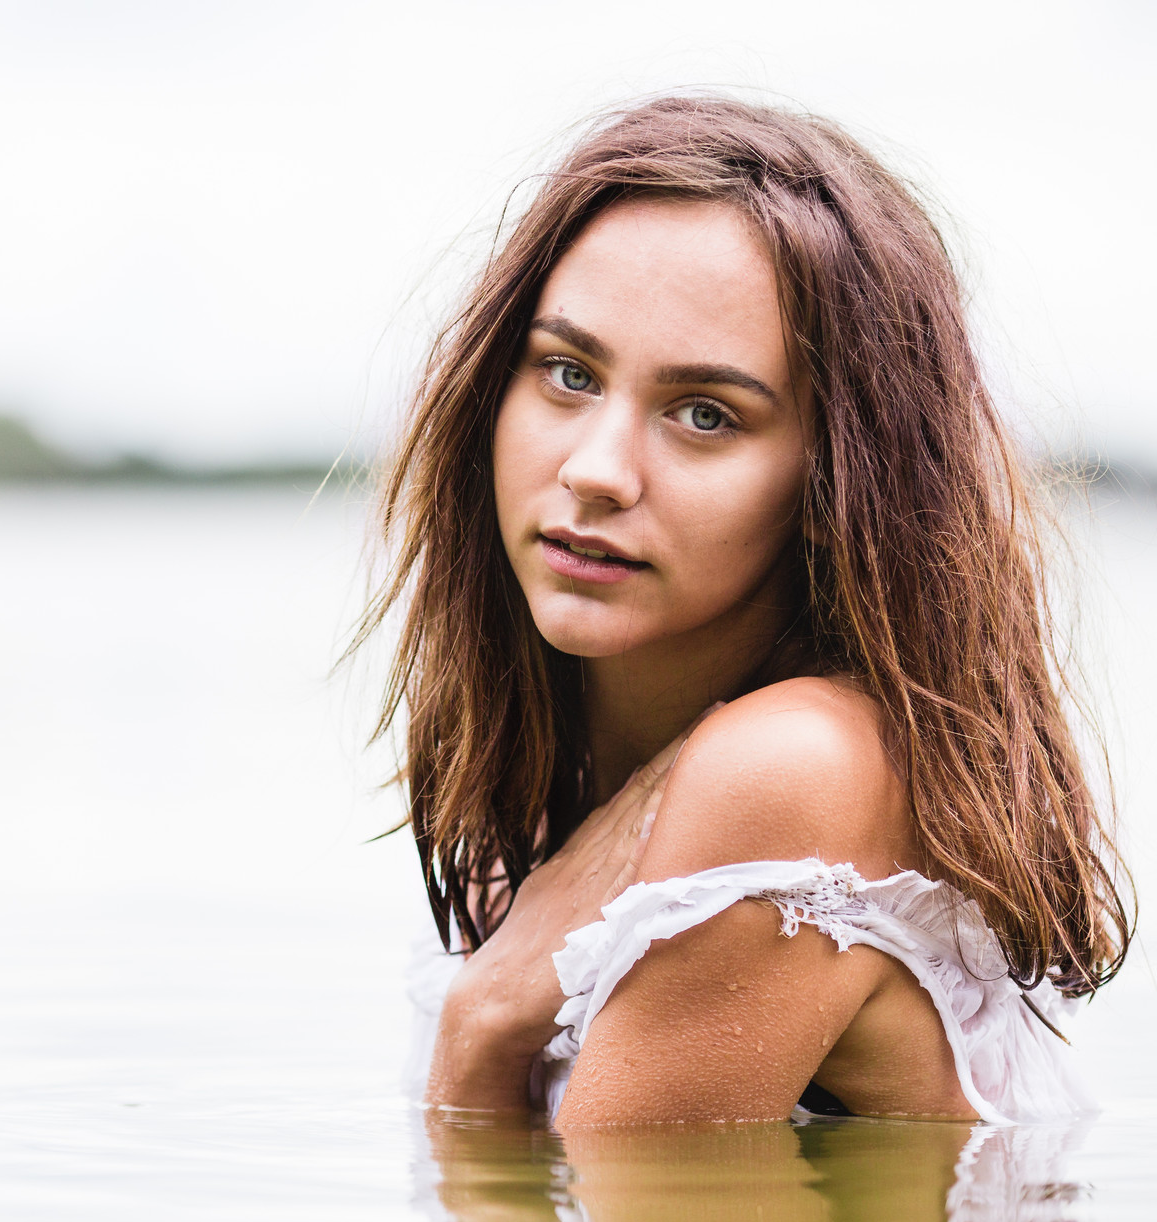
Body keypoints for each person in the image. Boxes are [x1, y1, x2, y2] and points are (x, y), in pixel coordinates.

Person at [365, 96, 1131, 1125]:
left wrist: (486, 1017)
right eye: (566, 372)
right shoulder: (558, 805)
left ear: (833, 489)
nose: (594, 472)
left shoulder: (789, 768)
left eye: (704, 414)